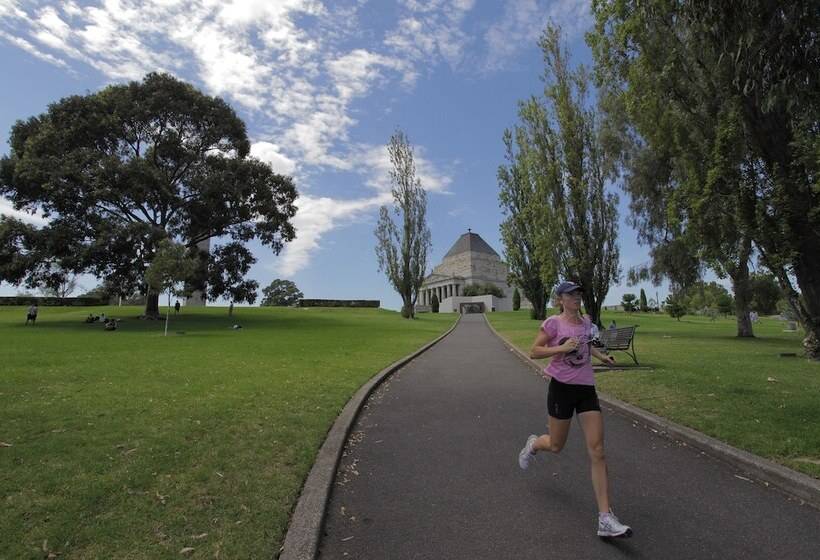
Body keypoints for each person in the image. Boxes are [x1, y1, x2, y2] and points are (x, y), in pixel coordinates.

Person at [518, 281, 632, 539]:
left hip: (586, 390)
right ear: (560, 299)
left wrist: (604, 358)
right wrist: (561, 348)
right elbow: (534, 351)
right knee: (556, 446)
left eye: (578, 294)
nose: (577, 298)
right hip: (561, 389)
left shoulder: (586, 321)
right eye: (571, 294)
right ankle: (535, 444)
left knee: (598, 450)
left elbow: (586, 344)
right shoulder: (553, 324)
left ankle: (605, 518)